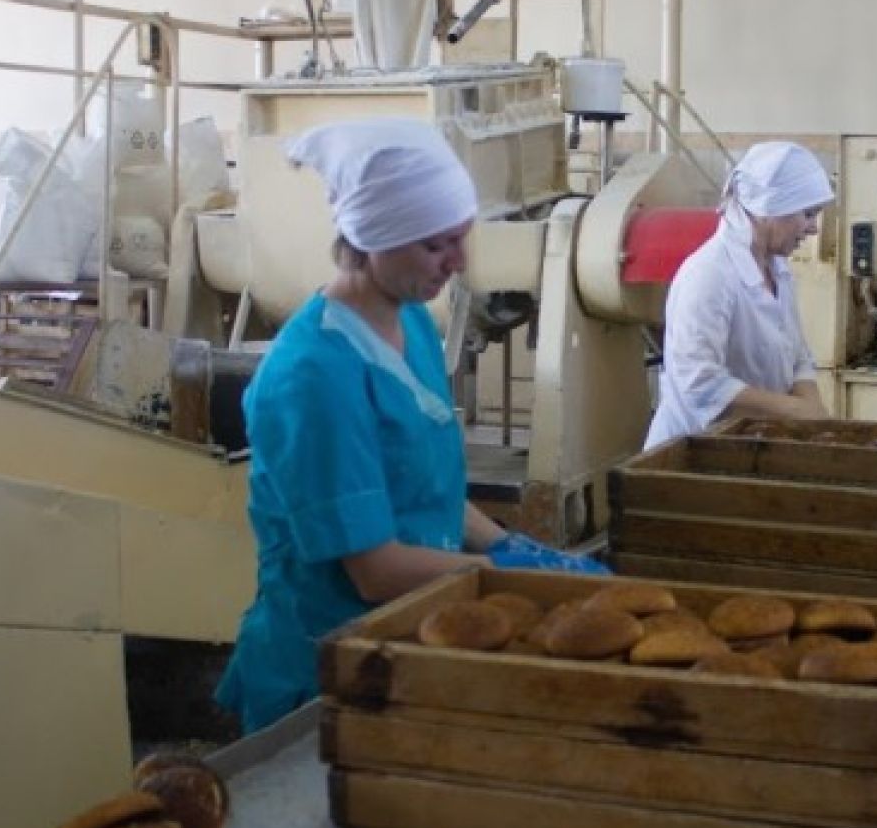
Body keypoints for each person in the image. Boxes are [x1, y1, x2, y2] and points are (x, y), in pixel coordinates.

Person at [216, 118, 605, 733]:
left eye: (460, 238)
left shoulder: (411, 322)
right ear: (374, 238)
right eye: (434, 245)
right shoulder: (313, 375)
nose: (458, 261)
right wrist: (503, 579)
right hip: (329, 672)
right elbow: (375, 571)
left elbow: (425, 492)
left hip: (408, 641)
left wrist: (508, 545)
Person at [643, 141, 835, 448]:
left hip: (748, 445)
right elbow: (699, 384)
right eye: (808, 214)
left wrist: (813, 412)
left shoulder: (779, 271)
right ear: (770, 209)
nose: (813, 229)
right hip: (690, 452)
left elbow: (798, 355)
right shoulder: (710, 274)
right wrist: (794, 411)